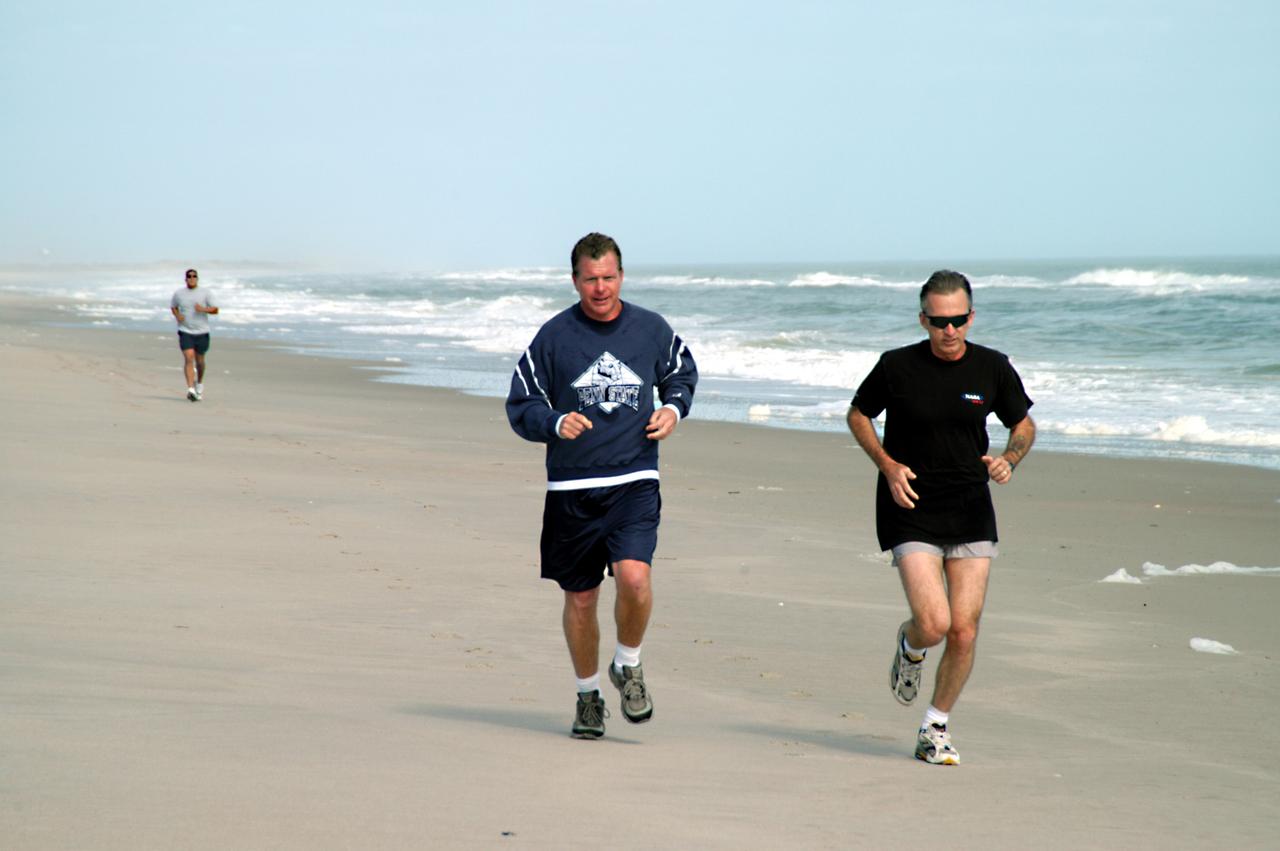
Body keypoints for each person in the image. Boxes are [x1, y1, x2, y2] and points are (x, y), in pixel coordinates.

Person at [506, 232, 697, 739]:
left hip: (634, 479)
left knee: (635, 578)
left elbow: (682, 372)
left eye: (609, 277)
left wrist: (672, 409)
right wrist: (553, 423)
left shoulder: (650, 329)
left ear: (621, 276)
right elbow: (520, 404)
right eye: (590, 279)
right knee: (583, 600)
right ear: (574, 281)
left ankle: (628, 664)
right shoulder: (553, 338)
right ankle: (588, 695)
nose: (600, 287)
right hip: (571, 490)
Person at [846, 270, 1035, 765]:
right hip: (910, 505)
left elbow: (1023, 423)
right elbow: (858, 414)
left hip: (971, 507)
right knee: (934, 623)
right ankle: (911, 648)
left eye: (957, 321)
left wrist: (1009, 459)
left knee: (965, 630)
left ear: (971, 317)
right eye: (937, 321)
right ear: (923, 318)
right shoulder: (896, 366)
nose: (948, 331)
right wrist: (887, 465)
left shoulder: (993, 367)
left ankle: (935, 727)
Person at [170, 268, 219, 401]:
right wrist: (177, 315)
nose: (192, 278)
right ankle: (190, 389)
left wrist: (203, 309)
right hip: (185, 331)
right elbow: (173, 306)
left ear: (197, 278)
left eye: (194, 276)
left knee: (200, 361)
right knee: (189, 358)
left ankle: (199, 383)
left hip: (202, 332)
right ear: (185, 279)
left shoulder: (205, 293)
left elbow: (215, 309)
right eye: (189, 276)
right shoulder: (179, 294)